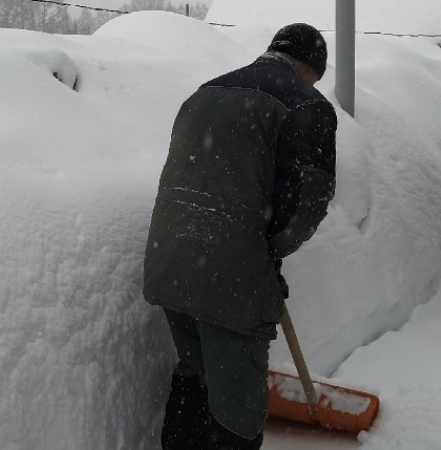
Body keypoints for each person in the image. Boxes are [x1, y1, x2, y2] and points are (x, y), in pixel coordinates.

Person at [143, 23, 337, 450]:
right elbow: (306, 205)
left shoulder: (206, 91)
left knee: (195, 373)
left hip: (169, 260)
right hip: (230, 277)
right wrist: (267, 254)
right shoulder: (308, 105)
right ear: (310, 66)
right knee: (237, 406)